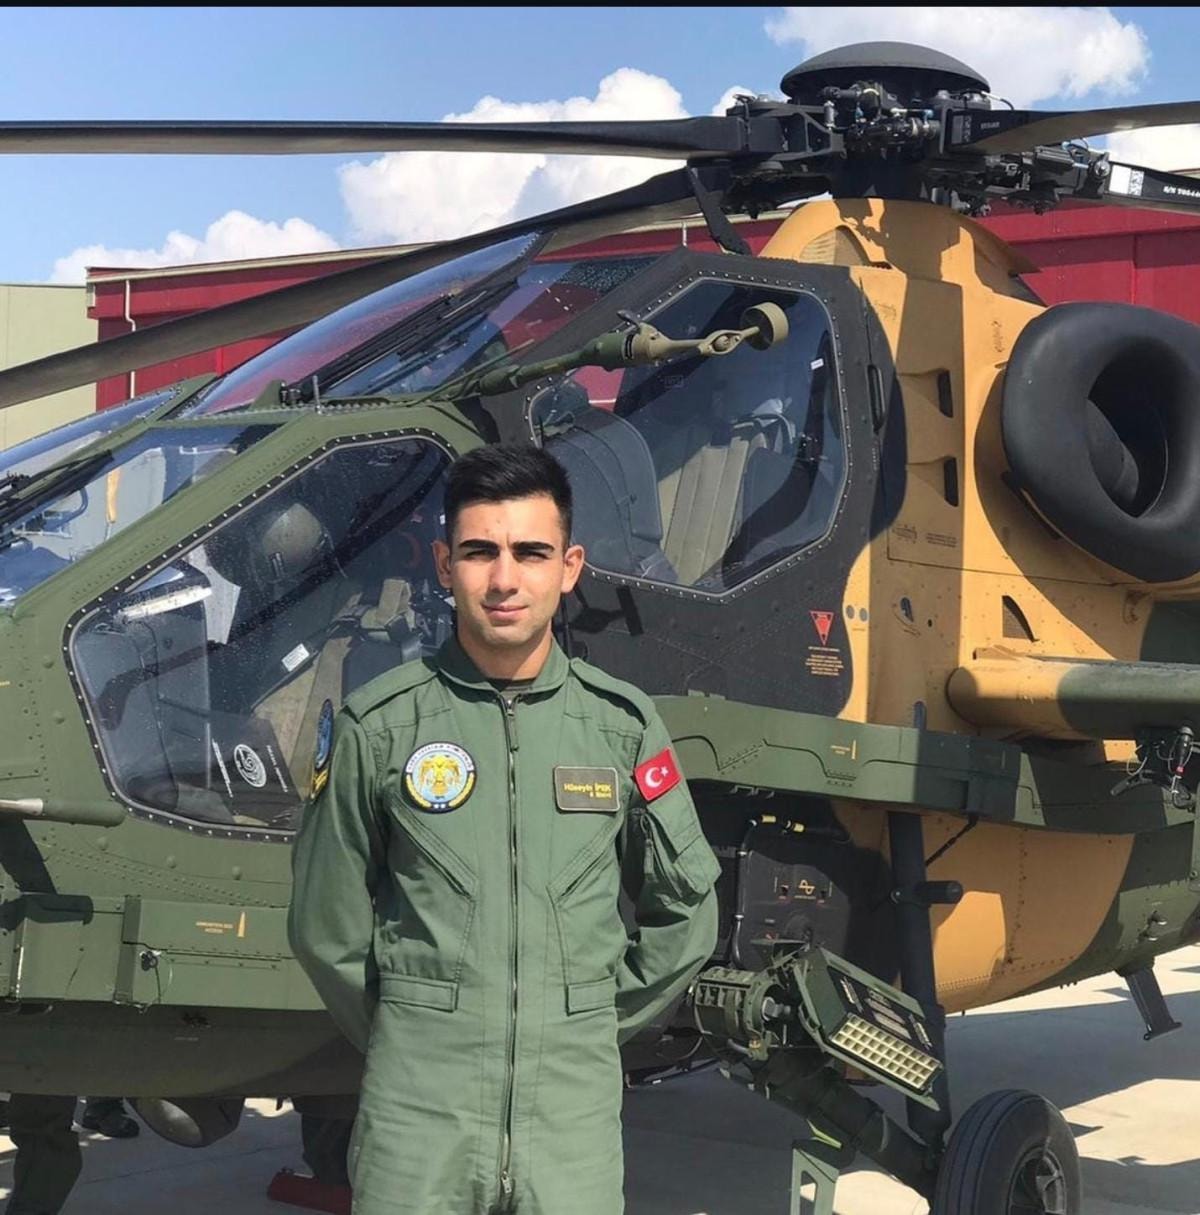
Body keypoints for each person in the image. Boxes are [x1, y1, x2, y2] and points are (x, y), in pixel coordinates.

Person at [289, 443, 720, 1215]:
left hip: (572, 1124)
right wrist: (415, 1025)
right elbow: (326, 924)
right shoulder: (378, 726)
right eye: (480, 551)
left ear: (570, 566)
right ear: (445, 564)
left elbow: (685, 910)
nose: (504, 578)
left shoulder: (620, 727)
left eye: (531, 552)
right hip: (419, 1120)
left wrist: (585, 1017)